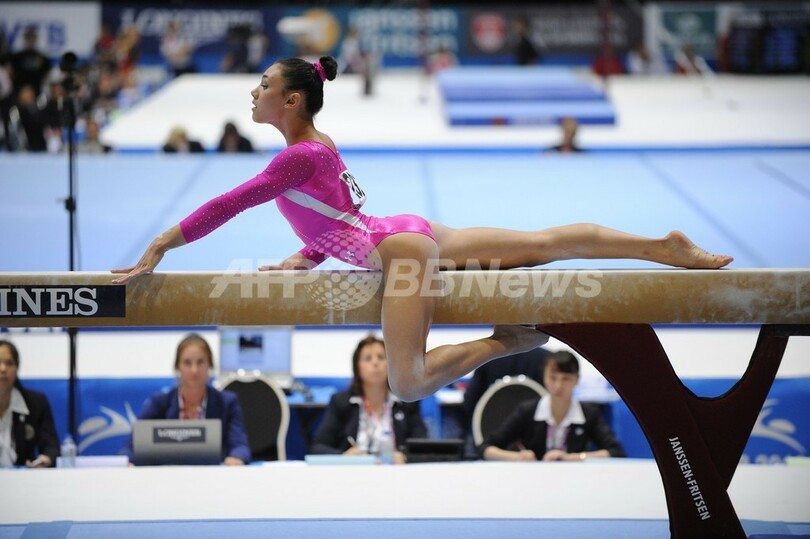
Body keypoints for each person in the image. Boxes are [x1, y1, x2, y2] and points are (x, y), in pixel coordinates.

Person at [111, 55, 733, 405]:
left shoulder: (295, 157)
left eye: (264, 85)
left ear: (292, 100)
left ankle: (508, 342)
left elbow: (229, 203)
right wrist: (308, 256)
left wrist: (160, 244)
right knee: (543, 243)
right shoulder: (316, 147)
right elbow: (340, 216)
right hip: (406, 232)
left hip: (400, 251)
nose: (254, 92)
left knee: (406, 384)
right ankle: (660, 247)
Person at [121, 333, 250, 465]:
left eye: (200, 362)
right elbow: (131, 446)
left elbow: (240, 445)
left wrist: (237, 457)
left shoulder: (227, 403)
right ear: (178, 367)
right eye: (187, 363)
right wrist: (127, 462)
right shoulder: (159, 403)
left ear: (210, 365)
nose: (194, 370)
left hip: (211, 474)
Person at [478, 351, 625, 462]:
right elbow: (485, 448)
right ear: (544, 377)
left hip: (576, 481)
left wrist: (573, 458)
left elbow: (616, 452)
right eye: (553, 377)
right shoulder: (528, 411)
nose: (558, 385)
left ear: (577, 380)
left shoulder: (588, 414)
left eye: (566, 379)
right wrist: (517, 457)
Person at [310, 336, 426, 463]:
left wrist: (405, 457)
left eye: (381, 357)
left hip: (395, 471)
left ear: (391, 364)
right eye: (368, 359)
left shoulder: (407, 402)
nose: (375, 363)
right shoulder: (341, 402)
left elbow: (422, 447)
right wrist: (343, 456)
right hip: (354, 471)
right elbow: (317, 448)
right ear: (357, 367)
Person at [0, 340, 60, 468]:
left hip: (23, 477)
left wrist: (46, 459)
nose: (3, 369)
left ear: (17, 368)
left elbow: (51, 447)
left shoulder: (35, 403)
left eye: (9, 363)